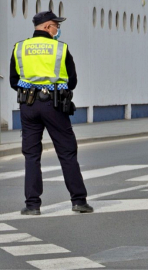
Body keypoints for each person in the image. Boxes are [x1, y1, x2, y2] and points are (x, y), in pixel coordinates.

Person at [9, 11, 93, 215]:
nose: (58, 29)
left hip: (28, 106)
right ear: (47, 27)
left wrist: (31, 89)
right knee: (67, 152)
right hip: (54, 105)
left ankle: (32, 205)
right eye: (56, 25)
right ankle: (79, 202)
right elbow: (72, 81)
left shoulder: (20, 48)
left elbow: (13, 81)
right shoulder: (61, 48)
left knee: (31, 155)